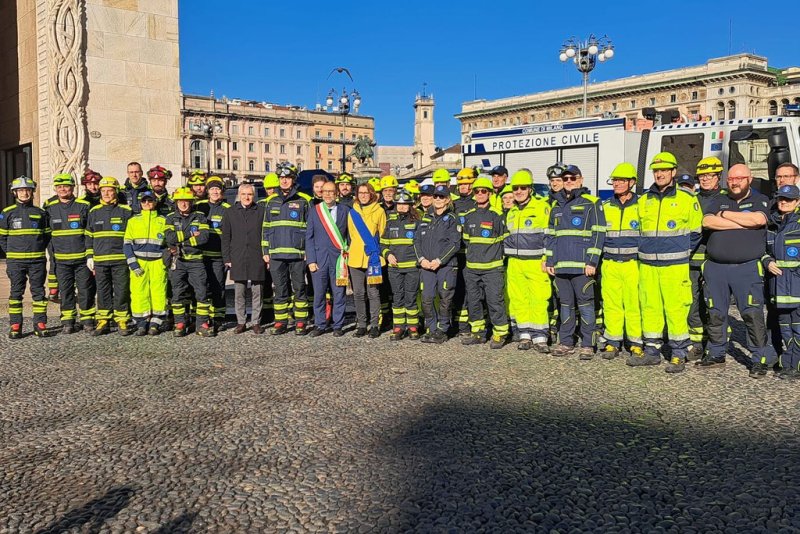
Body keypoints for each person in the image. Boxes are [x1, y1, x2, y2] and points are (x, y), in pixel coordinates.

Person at [627, 152, 702, 372]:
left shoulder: (687, 199)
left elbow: (696, 232)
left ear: (673, 172)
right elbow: (638, 231)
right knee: (650, 307)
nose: (659, 174)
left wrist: (680, 251)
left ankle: (679, 353)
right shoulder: (644, 200)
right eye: (656, 171)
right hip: (648, 265)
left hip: (675, 266)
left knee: (676, 308)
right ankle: (652, 351)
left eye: (664, 170)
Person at [700, 163, 774, 378]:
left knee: (752, 315)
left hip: (747, 268)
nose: (735, 182)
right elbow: (707, 221)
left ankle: (759, 358)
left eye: (740, 178)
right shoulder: (719, 199)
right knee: (715, 313)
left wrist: (725, 216)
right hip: (716, 268)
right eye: (731, 178)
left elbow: (758, 219)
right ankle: (716, 354)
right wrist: (742, 222)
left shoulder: (760, 199)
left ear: (749, 179)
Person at [546, 165, 605, 359]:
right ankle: (566, 342)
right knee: (565, 305)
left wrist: (592, 262)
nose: (569, 181)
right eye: (566, 178)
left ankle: (588, 344)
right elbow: (551, 236)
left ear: (581, 180)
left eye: (573, 178)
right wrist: (549, 260)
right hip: (561, 266)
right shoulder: (556, 206)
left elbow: (598, 234)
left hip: (582, 267)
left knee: (586, 305)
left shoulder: (592, 203)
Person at [504, 170, 551, 352]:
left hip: (535, 261)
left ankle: (540, 337)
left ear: (530, 189)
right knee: (519, 299)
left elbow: (549, 236)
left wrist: (547, 258)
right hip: (515, 262)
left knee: (538, 299)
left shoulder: (541, 207)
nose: (519, 191)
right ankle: (524, 335)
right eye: (516, 188)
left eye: (523, 188)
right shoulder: (512, 211)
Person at [599, 163, 643, 359]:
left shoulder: (641, 205)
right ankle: (613, 342)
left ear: (631, 183)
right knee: (611, 304)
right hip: (609, 262)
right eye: (614, 180)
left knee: (634, 304)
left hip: (633, 263)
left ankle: (635, 343)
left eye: (620, 180)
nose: (616, 184)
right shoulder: (605, 206)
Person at [262, 164, 312, 335]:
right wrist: (265, 251)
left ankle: (300, 322)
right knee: (280, 289)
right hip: (276, 254)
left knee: (299, 288)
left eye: (288, 177)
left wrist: (308, 251)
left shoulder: (304, 200)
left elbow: (309, 228)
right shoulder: (271, 201)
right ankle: (281, 322)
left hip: (298, 254)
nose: (284, 180)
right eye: (281, 178)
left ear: (293, 179)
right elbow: (266, 228)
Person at [461, 177, 510, 348]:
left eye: (483, 191)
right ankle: (478, 332)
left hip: (492, 269)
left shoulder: (497, 215)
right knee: (474, 302)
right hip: (472, 269)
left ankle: (500, 333)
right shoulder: (468, 216)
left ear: (489, 193)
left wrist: (496, 260)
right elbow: (466, 240)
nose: (480, 194)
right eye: (477, 191)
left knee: (494, 301)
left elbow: (505, 241)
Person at [44, 173, 94, 334]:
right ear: (55, 189)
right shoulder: (49, 207)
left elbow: (89, 232)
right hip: (61, 260)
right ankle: (68, 321)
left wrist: (90, 256)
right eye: (59, 187)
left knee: (85, 290)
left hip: (81, 259)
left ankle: (87, 320)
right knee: (66, 292)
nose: (63, 189)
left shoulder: (83, 205)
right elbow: (46, 235)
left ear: (73, 188)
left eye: (66, 186)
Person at [1, 176, 51, 338]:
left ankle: (40, 323)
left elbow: (47, 237)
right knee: (16, 293)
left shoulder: (41, 213)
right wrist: (11, 253)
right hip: (16, 262)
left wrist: (37, 249)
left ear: (32, 192)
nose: (24, 193)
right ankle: (16, 325)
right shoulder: (6, 213)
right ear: (15, 193)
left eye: (27, 190)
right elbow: (2, 238)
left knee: (38, 293)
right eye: (21, 190)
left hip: (37, 261)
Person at [689, 157, 727, 359]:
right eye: (702, 176)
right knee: (693, 303)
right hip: (693, 260)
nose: (705, 179)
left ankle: (715, 345)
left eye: (709, 175)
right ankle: (696, 343)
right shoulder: (692, 199)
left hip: (716, 260)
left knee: (715, 305)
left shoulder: (726, 198)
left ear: (718, 177)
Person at [85, 177, 133, 336]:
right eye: (103, 191)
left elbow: (131, 236)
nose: (106, 193)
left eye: (110, 190)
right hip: (100, 260)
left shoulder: (126, 211)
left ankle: (122, 320)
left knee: (121, 290)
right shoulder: (94, 211)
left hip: (120, 259)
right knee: (103, 290)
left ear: (116, 192)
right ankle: (103, 319)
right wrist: (89, 256)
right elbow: (88, 235)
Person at [414, 184, 460, 343]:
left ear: (447, 200)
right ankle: (432, 328)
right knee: (426, 299)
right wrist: (422, 259)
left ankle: (442, 329)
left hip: (445, 266)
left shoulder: (452, 219)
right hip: (426, 266)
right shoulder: (425, 217)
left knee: (445, 299)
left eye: (441, 197)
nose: (438, 200)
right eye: (436, 197)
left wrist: (439, 261)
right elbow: (416, 241)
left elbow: (455, 244)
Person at [763, 184, 800, 379]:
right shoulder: (772, 224)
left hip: (797, 288)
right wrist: (767, 262)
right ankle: (789, 365)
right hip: (777, 289)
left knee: (798, 330)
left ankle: (796, 366)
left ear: (797, 201)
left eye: (788, 199)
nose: (783, 202)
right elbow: (763, 251)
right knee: (785, 330)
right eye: (780, 199)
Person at [165, 186, 212, 337]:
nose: (184, 204)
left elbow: (204, 238)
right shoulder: (170, 217)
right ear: (176, 202)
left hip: (196, 262)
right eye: (181, 201)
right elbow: (170, 238)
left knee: (201, 293)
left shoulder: (200, 216)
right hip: (178, 261)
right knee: (177, 294)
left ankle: (202, 324)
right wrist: (191, 234)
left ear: (191, 202)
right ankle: (180, 323)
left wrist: (182, 241)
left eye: (187, 201)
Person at [306, 180, 350, 337]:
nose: (328, 194)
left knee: (339, 293)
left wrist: (348, 253)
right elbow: (309, 237)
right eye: (325, 191)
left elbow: (349, 236)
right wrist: (311, 260)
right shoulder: (314, 211)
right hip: (319, 259)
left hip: (338, 260)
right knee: (319, 294)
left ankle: (338, 324)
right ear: (321, 193)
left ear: (336, 193)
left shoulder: (345, 210)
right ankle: (320, 324)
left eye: (331, 191)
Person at [223, 184, 268, 334]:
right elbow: (226, 237)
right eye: (244, 194)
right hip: (238, 255)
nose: (247, 197)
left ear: (253, 196)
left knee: (257, 292)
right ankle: (241, 322)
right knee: (239, 292)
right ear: (239, 195)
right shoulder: (230, 212)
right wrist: (227, 257)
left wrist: (266, 255)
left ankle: (256, 322)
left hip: (257, 255)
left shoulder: (261, 211)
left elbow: (265, 234)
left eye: (249, 194)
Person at [123, 189, 168, 335]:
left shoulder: (163, 220)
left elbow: (169, 243)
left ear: (155, 202)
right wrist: (132, 263)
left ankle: (156, 322)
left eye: (150, 200)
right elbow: (127, 244)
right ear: (140, 203)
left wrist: (165, 259)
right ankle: (141, 323)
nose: (147, 203)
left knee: (159, 292)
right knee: (138, 293)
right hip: (140, 262)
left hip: (158, 262)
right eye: (144, 201)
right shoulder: (133, 221)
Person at [347, 182, 387, 338]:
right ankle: (362, 324)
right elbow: (351, 235)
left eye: (366, 192)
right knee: (358, 293)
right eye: (360, 193)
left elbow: (383, 234)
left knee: (373, 293)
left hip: (373, 258)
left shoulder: (379, 211)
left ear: (371, 194)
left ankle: (375, 325)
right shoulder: (352, 213)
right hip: (356, 257)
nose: (363, 195)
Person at [381, 189, 421, 340]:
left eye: (405, 204)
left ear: (410, 205)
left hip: (412, 268)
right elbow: (383, 244)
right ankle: (398, 327)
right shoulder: (390, 223)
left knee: (411, 297)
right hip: (395, 269)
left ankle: (412, 327)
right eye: (399, 204)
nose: (402, 207)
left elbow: (421, 245)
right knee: (398, 297)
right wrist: (388, 254)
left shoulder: (417, 223)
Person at [195, 176, 231, 333]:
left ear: (222, 191)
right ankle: (202, 319)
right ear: (207, 191)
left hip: (218, 256)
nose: (215, 191)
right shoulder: (199, 206)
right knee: (202, 288)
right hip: (200, 256)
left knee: (218, 288)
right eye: (212, 188)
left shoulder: (228, 209)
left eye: (217, 188)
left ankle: (218, 318)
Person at [452, 168, 477, 335]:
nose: (463, 187)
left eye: (466, 184)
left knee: (471, 290)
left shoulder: (477, 202)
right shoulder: (453, 204)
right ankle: (457, 322)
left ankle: (467, 323)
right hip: (455, 254)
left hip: (472, 253)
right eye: (460, 184)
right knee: (457, 289)